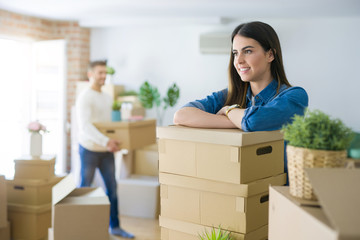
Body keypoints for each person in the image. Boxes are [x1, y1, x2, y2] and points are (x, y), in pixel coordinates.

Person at [173, 21, 308, 178]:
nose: (238, 60)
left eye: (248, 51)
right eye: (236, 53)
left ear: (270, 54)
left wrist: (228, 110)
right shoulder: (229, 95)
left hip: (278, 192)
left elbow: (254, 121)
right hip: (237, 184)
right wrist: (235, 120)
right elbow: (181, 115)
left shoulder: (295, 96)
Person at [76, 60, 134, 238]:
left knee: (112, 189)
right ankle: (79, 228)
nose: (103, 76)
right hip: (89, 150)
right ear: (90, 74)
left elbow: (109, 125)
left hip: (106, 151)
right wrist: (106, 141)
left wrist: (115, 141)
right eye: (99, 72)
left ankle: (115, 227)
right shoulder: (85, 97)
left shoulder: (108, 97)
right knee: (85, 188)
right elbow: (85, 127)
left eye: (104, 73)